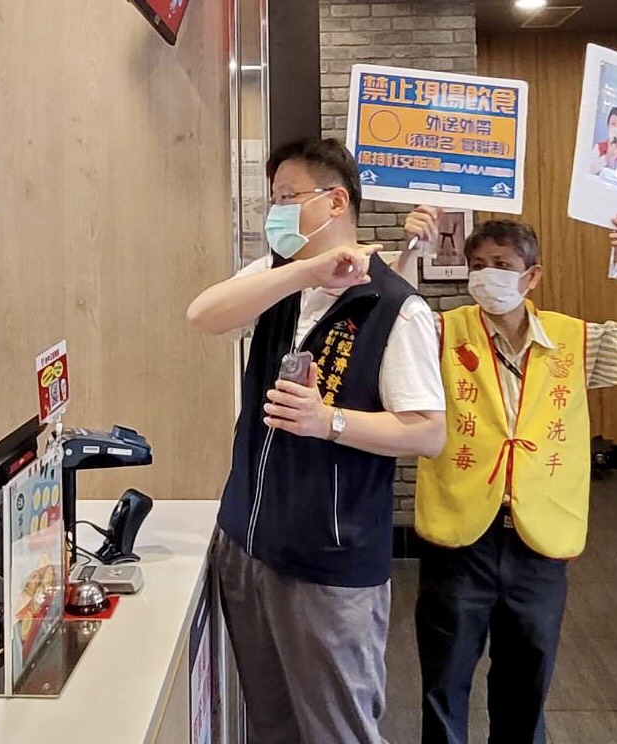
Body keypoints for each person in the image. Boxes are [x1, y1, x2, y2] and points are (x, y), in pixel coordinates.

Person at [187, 137, 447, 744]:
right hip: (248, 546)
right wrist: (304, 270)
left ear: (335, 202)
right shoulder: (279, 280)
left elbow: (428, 431)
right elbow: (203, 315)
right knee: (270, 725)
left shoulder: (393, 306)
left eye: (287, 197)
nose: (275, 212)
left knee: (337, 730)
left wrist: (328, 420)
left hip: (329, 566)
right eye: (273, 199)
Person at [394, 215, 617, 743]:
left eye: (502, 264)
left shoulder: (570, 338)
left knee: (527, 679)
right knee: (444, 679)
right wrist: (409, 249)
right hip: (461, 535)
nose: (488, 275)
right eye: (478, 266)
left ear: (532, 276)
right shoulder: (445, 331)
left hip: (539, 539)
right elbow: (394, 325)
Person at [589, 106, 617, 177]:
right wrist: (607, 157)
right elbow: (589, 170)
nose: (616, 129)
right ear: (608, 125)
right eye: (613, 124)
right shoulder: (598, 147)